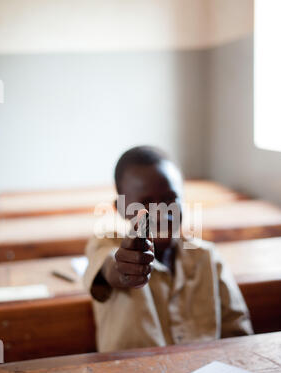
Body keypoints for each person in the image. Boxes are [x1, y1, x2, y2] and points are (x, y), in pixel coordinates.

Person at [84, 146, 253, 352]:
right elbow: (111, 267)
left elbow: (237, 332)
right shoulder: (106, 244)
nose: (162, 212)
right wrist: (123, 270)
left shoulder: (206, 257)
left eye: (170, 199)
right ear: (121, 208)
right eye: (146, 203)